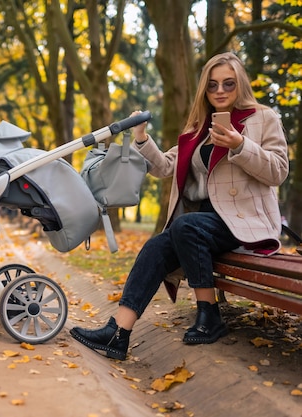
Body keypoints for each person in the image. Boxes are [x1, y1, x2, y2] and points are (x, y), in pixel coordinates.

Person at [70, 52, 289, 360]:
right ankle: (118, 333)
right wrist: (142, 138)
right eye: (212, 85)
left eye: (229, 83)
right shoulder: (197, 129)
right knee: (156, 246)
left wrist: (240, 145)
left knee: (185, 226)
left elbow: (279, 170)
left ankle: (208, 314)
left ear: (240, 85)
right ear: (205, 90)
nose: (220, 91)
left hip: (243, 221)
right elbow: (164, 168)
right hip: (203, 224)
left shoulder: (262, 118)